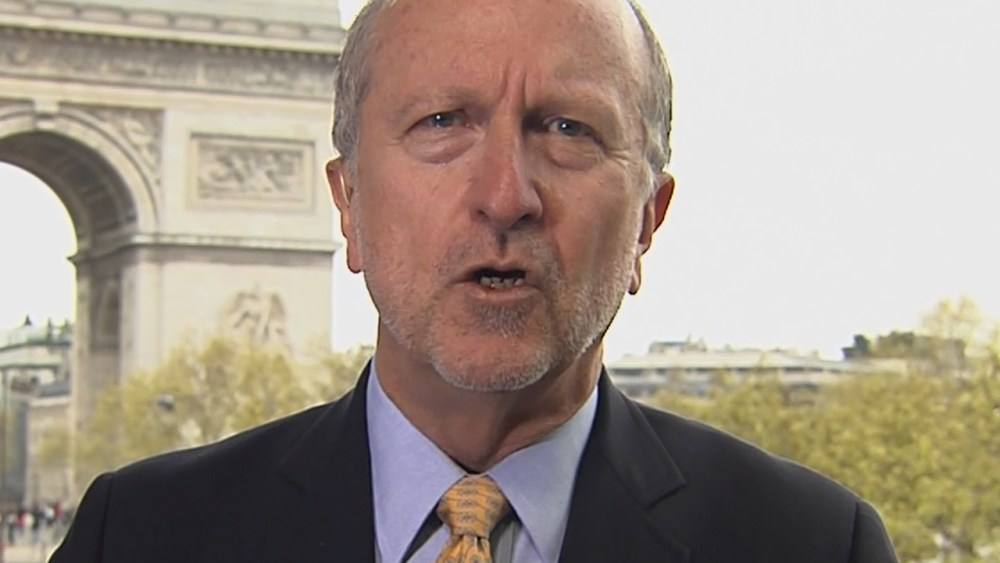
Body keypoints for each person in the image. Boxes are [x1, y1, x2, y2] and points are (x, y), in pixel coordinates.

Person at [51, 0, 899, 561]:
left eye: (567, 128)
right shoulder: (137, 537)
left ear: (648, 218)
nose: (505, 194)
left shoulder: (816, 546)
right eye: (442, 122)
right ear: (348, 203)